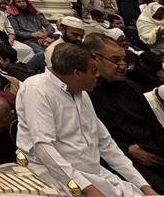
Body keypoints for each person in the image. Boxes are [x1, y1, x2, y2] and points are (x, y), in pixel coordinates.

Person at [17, 42, 156, 197]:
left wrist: (144, 186)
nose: (98, 75)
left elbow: (106, 145)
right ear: (77, 73)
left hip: (92, 173)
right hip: (53, 174)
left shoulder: (81, 93)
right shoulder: (36, 89)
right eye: (94, 71)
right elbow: (43, 146)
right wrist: (87, 188)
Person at [86, 33, 164, 192]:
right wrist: (125, 149)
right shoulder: (85, 92)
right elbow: (89, 136)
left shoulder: (131, 87)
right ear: (95, 59)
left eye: (124, 60)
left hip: (151, 152)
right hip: (118, 160)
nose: (123, 66)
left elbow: (154, 126)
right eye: (115, 60)